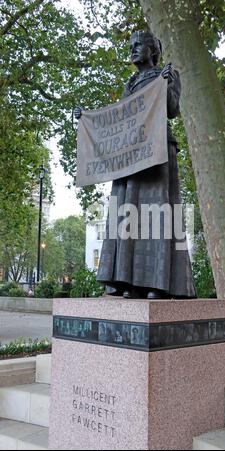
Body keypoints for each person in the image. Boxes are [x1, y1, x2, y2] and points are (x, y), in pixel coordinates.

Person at [74, 30, 196, 300]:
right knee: (126, 215)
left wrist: (164, 85)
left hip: (157, 151)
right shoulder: (130, 82)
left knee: (157, 215)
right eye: (131, 45)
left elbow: (173, 109)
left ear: (152, 50)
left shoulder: (168, 73)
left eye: (139, 45)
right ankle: (125, 279)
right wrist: (86, 119)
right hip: (130, 156)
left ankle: (159, 283)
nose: (133, 49)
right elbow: (118, 120)